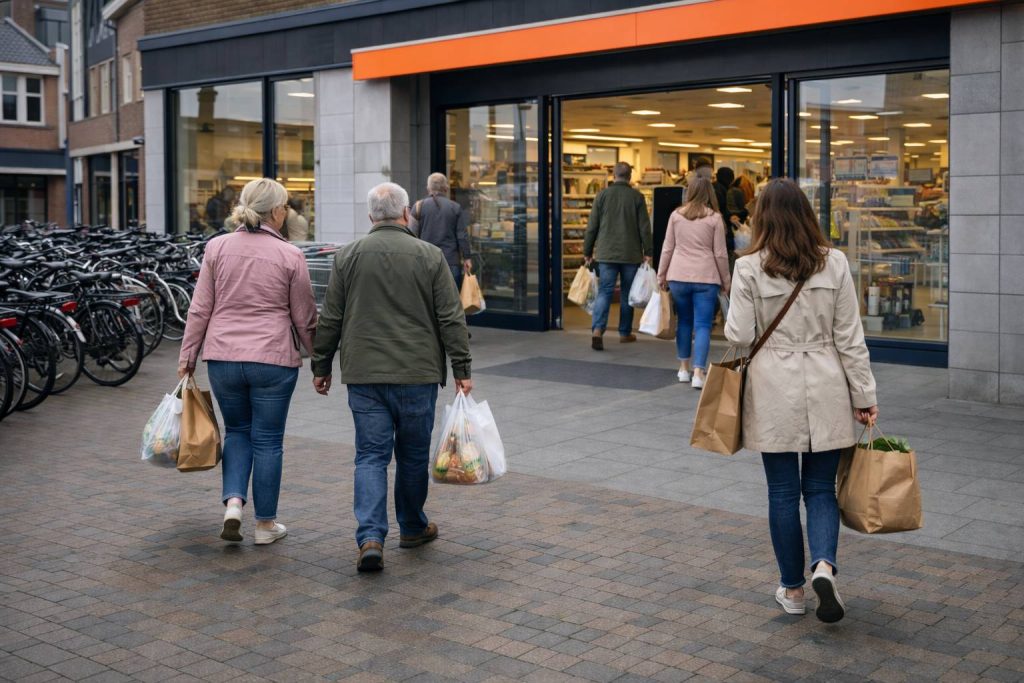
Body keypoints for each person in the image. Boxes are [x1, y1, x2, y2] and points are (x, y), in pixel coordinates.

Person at [724, 178, 878, 624]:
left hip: (773, 386)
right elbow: (851, 338)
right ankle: (824, 566)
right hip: (828, 381)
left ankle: (792, 589)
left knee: (782, 491)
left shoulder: (749, 266)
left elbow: (739, 336)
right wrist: (864, 395)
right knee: (821, 489)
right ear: (807, 215)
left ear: (762, 217)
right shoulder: (835, 263)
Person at [310, 182, 472, 573]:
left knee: (370, 456)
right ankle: (413, 526)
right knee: (412, 455)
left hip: (365, 375)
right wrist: (462, 369)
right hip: (418, 373)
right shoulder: (430, 256)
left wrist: (321, 365)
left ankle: (370, 536)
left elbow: (330, 316)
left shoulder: (347, 256)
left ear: (371, 217)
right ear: (405, 215)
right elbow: (451, 317)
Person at [178, 178, 318, 546]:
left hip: (223, 356)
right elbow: (304, 317)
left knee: (237, 431)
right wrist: (320, 361)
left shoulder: (217, 247)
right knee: (268, 440)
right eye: (285, 206)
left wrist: (187, 357)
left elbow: (200, 309)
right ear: (275, 211)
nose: (286, 212)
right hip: (272, 359)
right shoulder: (291, 255)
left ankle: (234, 504)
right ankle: (265, 525)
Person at [657, 178, 731, 389]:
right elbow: (720, 254)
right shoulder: (715, 218)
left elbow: (667, 248)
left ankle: (683, 369)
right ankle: (698, 373)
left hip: (678, 276)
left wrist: (661, 275)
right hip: (706, 278)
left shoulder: (676, 216)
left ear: (688, 192)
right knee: (703, 326)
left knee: (684, 323)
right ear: (709, 194)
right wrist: (726, 280)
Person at [583, 161, 653, 350]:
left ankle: (597, 330)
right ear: (629, 176)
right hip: (631, 254)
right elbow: (645, 228)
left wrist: (587, 251)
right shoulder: (636, 197)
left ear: (614, 175)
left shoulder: (602, 195)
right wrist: (649, 251)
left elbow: (592, 227)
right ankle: (624, 332)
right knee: (627, 293)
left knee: (605, 291)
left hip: (606, 253)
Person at [409, 173, 473, 290]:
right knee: (452, 303)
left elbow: (411, 237)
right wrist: (467, 258)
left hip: (425, 262)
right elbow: (462, 236)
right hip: (451, 262)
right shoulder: (455, 207)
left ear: (428, 188)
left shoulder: (418, 206)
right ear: (446, 188)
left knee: (427, 302)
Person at [712, 166, 736, 256]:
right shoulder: (721, 190)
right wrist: (730, 218)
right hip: (721, 227)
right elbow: (721, 209)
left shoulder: (715, 186)